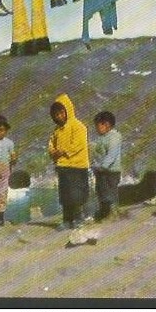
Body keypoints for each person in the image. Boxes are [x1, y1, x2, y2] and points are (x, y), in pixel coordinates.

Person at [48, 94, 90, 230]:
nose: (59, 116)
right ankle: (67, 220)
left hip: (77, 166)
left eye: (61, 112)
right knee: (65, 195)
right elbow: (50, 144)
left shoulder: (78, 126)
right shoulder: (56, 131)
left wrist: (62, 151)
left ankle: (78, 219)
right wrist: (52, 152)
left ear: (68, 110)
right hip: (63, 167)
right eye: (56, 114)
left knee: (76, 195)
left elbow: (78, 144)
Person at [91, 111, 123, 222]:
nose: (96, 128)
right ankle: (103, 212)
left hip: (111, 171)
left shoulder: (114, 137)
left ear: (106, 124)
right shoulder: (102, 137)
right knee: (101, 191)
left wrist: (103, 166)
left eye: (98, 125)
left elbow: (112, 154)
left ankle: (112, 214)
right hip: (101, 171)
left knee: (110, 192)